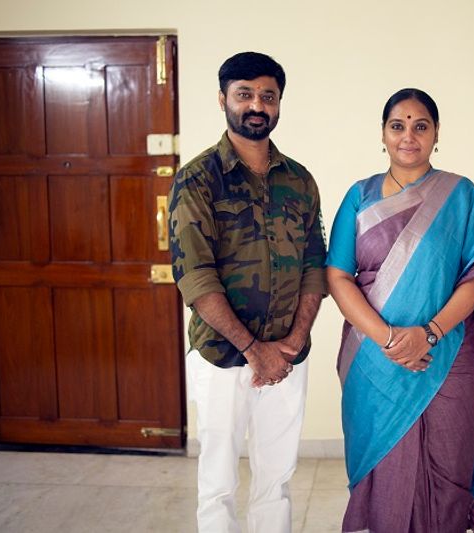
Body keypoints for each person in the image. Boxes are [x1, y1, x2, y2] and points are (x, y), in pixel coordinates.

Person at [326, 88, 474, 532]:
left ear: (436, 134)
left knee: (451, 466)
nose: (408, 136)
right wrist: (391, 339)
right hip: (375, 358)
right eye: (398, 126)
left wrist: (429, 333)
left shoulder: (462, 195)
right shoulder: (359, 196)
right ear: (383, 134)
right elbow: (337, 276)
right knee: (384, 472)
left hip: (449, 353)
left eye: (420, 126)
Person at [168, 52, 327, 533]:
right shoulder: (197, 179)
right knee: (218, 483)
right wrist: (254, 350)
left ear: (278, 103)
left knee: (276, 480)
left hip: (288, 357)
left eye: (267, 96)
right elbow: (195, 277)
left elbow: (314, 267)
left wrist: (292, 343)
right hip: (222, 356)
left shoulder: (299, 181)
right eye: (245, 94)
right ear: (223, 100)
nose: (257, 105)